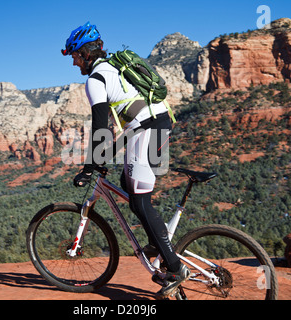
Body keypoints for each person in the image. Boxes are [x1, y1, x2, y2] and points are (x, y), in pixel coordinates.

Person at [61, 22, 189, 298]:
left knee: (140, 201)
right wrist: (104, 155)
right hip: (159, 124)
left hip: (148, 130)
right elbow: (122, 120)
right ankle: (158, 243)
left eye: (74, 55)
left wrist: (89, 167)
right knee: (128, 183)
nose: (74, 62)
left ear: (84, 53)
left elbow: (100, 126)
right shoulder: (115, 68)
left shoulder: (95, 79)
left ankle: (175, 268)